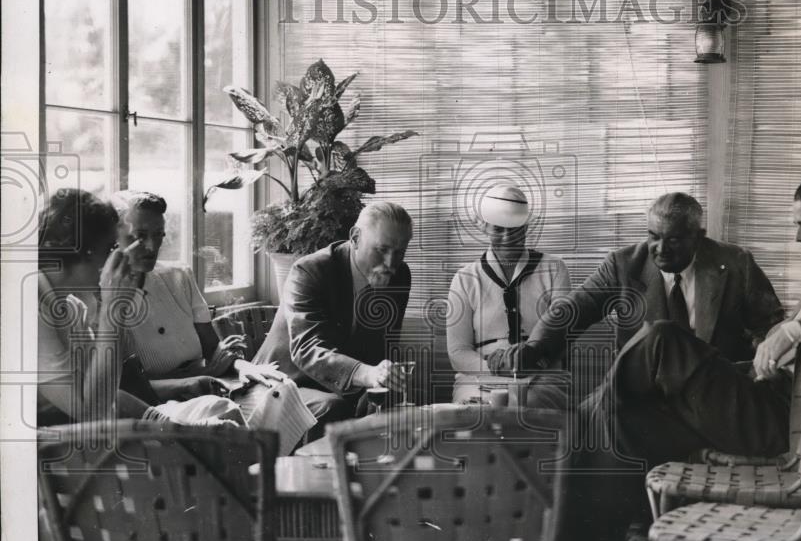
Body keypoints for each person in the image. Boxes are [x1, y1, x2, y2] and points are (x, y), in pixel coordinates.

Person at [564, 173, 801, 541]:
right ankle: (589, 536)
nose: (797, 237)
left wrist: (797, 331)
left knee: (661, 338)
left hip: (779, 426)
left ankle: (579, 422)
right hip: (764, 404)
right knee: (627, 418)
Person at [486, 192, 785, 408]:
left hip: (715, 394)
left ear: (698, 236)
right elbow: (572, 310)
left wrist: (762, 364)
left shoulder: (735, 264)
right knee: (583, 427)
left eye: (674, 239)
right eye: (653, 236)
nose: (660, 249)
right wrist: (536, 347)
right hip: (645, 395)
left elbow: (771, 328)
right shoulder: (624, 265)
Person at [112, 190, 314, 450]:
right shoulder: (101, 300)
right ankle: (256, 473)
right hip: (161, 407)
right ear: (113, 235)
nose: (152, 247)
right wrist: (189, 379)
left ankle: (260, 471)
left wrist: (244, 367)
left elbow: (213, 350)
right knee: (225, 414)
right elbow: (122, 391)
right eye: (140, 236)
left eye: (158, 235)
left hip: (206, 387)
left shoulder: (178, 277)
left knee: (281, 387)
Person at [36, 189, 240, 428]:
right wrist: (112, 311)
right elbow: (90, 410)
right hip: (55, 451)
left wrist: (164, 423)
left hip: (94, 435)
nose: (119, 257)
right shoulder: (28, 310)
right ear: (85, 250)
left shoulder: (71, 308)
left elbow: (108, 394)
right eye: (111, 248)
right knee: (224, 432)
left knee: (223, 415)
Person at [253, 201, 413, 423]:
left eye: (399, 252)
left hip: (342, 384)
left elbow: (385, 343)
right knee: (332, 407)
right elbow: (307, 349)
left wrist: (377, 382)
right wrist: (367, 375)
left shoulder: (400, 276)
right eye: (381, 249)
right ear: (355, 237)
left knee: (394, 401)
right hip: (283, 380)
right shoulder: (309, 270)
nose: (390, 263)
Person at [446, 185, 571, 405]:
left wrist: (529, 365)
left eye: (514, 228)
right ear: (484, 226)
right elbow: (458, 352)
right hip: (479, 377)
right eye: (498, 229)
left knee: (527, 402)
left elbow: (562, 337)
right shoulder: (465, 278)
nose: (507, 237)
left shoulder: (555, 269)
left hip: (541, 375)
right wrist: (497, 370)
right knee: (475, 413)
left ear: (526, 226)